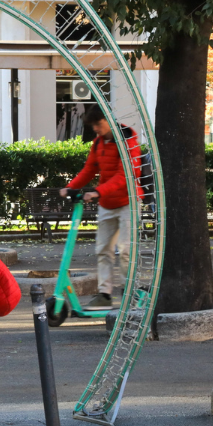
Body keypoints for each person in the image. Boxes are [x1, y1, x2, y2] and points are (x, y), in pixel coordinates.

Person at [60, 106, 142, 310]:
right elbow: (89, 169)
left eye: (98, 124)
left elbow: (126, 176)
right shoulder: (98, 143)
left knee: (126, 251)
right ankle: (104, 294)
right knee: (102, 250)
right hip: (107, 203)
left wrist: (98, 192)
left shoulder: (128, 142)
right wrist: (71, 187)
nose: (95, 128)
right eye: (93, 125)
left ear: (108, 120)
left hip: (128, 202)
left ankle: (129, 291)